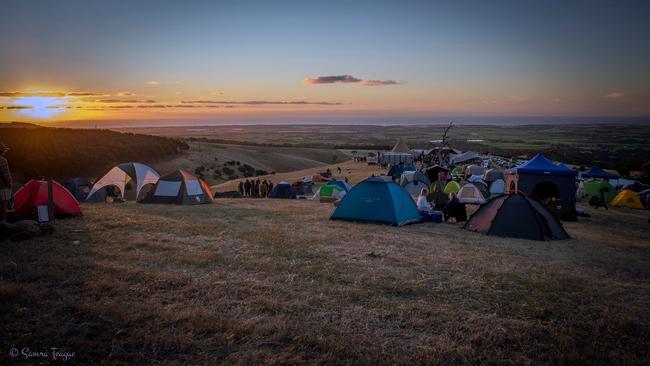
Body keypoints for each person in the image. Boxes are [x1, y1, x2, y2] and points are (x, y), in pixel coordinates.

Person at [0, 143, 11, 222]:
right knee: (4, 205)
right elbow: (6, 175)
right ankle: (4, 222)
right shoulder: (3, 160)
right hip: (2, 187)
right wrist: (10, 184)